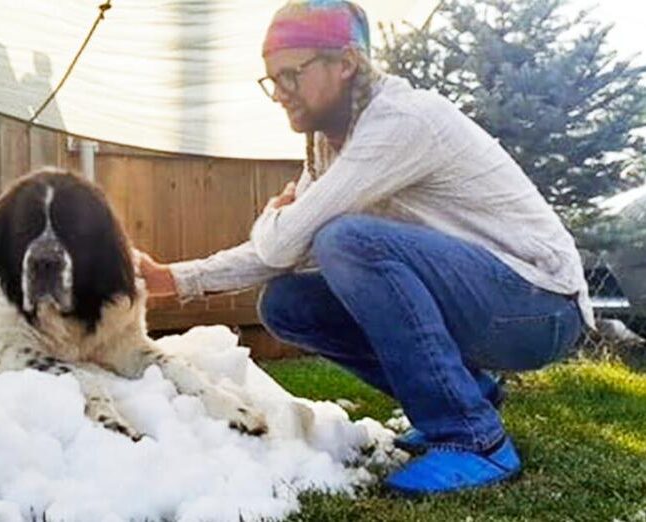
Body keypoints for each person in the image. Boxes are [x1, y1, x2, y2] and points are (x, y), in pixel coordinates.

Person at [138, 0, 591, 496]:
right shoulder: (331, 147)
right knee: (287, 304)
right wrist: (176, 279)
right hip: (487, 303)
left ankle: (473, 438)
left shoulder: (400, 120)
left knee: (347, 241)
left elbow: (284, 239)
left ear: (347, 63)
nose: (280, 94)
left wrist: (274, 215)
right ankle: (468, 394)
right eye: (272, 80)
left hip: (541, 308)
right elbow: (281, 255)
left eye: (292, 74)